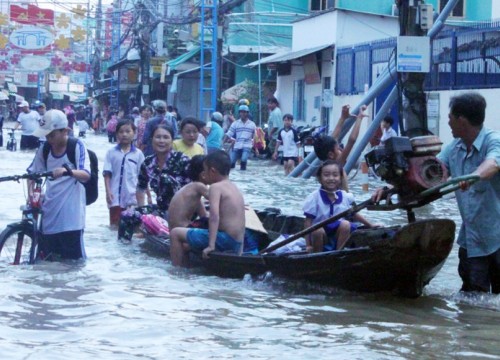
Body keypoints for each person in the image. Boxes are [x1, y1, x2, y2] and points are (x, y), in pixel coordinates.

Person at [436, 92, 499, 294]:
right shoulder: (454, 147)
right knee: (471, 301)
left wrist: (473, 177)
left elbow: (492, 164)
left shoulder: (493, 140)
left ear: (461, 120)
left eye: (450, 118)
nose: (448, 123)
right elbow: (433, 170)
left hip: (497, 239)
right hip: (471, 241)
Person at [27, 109, 90, 260]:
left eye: (52, 134)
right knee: (46, 262)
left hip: (72, 219)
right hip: (49, 214)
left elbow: (86, 175)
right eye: (46, 135)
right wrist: (31, 194)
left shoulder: (76, 146)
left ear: (65, 131)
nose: (49, 139)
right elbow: (32, 173)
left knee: (74, 265)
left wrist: (67, 171)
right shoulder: (45, 149)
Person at [170, 151, 246, 267]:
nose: (203, 174)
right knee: (187, 242)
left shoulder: (216, 187)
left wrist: (211, 246)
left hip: (225, 240)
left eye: (205, 170)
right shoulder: (233, 187)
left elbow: (214, 217)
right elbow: (242, 219)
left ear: (212, 171)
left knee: (175, 233)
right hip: (236, 241)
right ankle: (187, 264)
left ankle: (176, 272)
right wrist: (240, 249)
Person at [303, 160, 376, 253]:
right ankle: (317, 256)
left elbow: (354, 214)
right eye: (326, 175)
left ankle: (338, 253)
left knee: (345, 224)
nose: (331, 178)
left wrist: (370, 225)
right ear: (320, 178)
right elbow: (308, 222)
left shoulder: (346, 196)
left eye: (335, 175)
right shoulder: (314, 197)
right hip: (320, 235)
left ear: (340, 178)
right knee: (317, 230)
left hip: (338, 234)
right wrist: (308, 245)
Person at [136, 124, 191, 213]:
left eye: (166, 137)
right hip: (162, 209)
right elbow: (140, 187)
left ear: (172, 141)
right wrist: (141, 211)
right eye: (158, 137)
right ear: (152, 140)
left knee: (165, 178)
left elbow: (196, 187)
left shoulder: (182, 160)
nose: (161, 141)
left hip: (184, 210)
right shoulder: (148, 163)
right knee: (129, 216)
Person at [313, 105, 369, 190]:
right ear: (331, 154)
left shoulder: (325, 165)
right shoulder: (337, 162)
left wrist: (342, 118)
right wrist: (360, 117)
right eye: (338, 147)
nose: (340, 149)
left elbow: (334, 138)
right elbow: (352, 140)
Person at [103, 119, 145, 227]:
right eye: (121, 132)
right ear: (116, 134)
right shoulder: (111, 153)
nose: (124, 134)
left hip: (132, 197)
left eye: (128, 131)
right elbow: (107, 174)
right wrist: (108, 192)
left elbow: (143, 177)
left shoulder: (138, 154)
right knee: (114, 227)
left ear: (134, 133)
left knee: (132, 228)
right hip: (115, 197)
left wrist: (147, 197)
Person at [167, 155, 209, 230]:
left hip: (174, 228)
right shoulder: (199, 186)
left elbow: (204, 215)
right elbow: (217, 197)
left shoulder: (192, 188)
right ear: (203, 175)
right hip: (183, 227)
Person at [225, 104, 256, 170]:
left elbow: (256, 136)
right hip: (237, 145)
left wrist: (256, 148)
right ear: (239, 113)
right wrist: (222, 143)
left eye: (244, 112)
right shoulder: (235, 123)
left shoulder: (252, 124)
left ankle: (243, 174)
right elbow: (229, 134)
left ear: (247, 113)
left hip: (247, 145)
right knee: (231, 162)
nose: (243, 114)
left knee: (243, 160)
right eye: (241, 112)